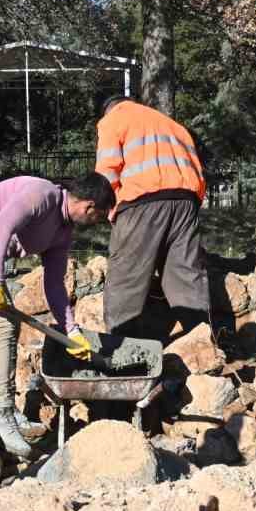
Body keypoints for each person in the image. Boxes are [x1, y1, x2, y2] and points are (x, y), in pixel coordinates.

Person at [0, 172, 114, 457]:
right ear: (89, 206)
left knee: (8, 321)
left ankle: (5, 410)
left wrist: (73, 332)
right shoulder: (43, 193)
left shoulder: (62, 232)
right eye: (99, 217)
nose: (97, 223)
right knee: (3, 323)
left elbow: (54, 285)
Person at [94, 95, 210, 339]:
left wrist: (109, 209)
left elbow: (106, 171)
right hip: (186, 202)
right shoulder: (174, 126)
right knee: (186, 277)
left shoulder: (114, 118)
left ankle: (121, 351)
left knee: (127, 278)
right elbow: (198, 172)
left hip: (141, 203)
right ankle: (203, 347)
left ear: (109, 109)